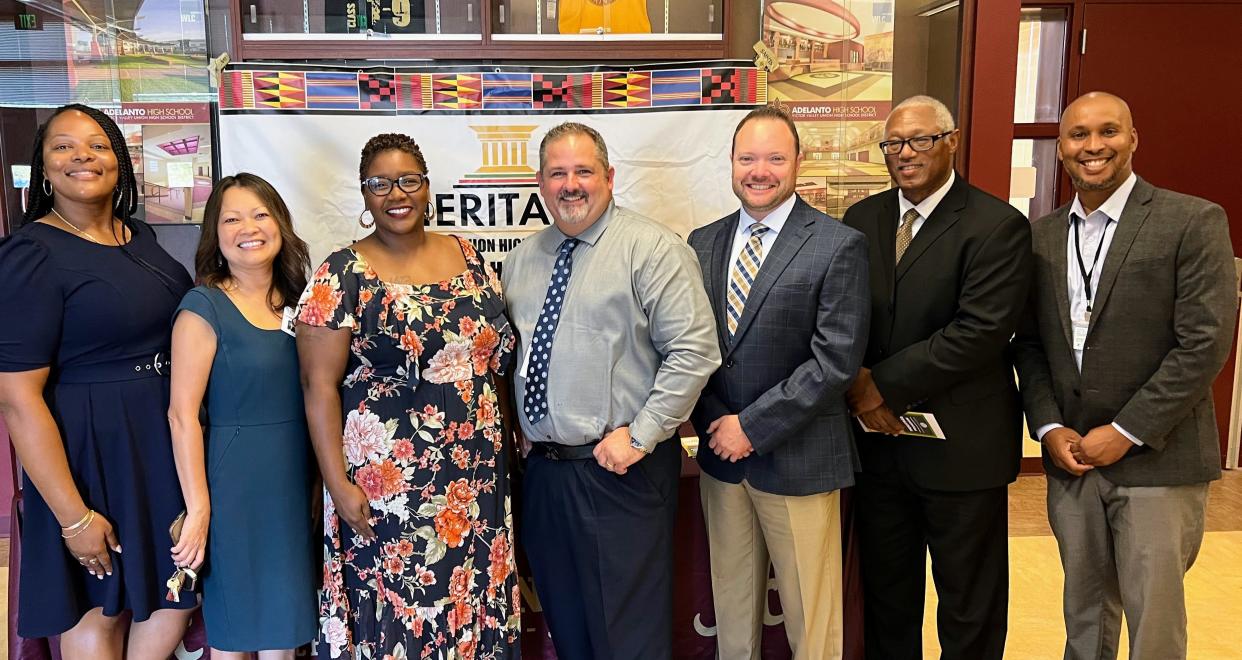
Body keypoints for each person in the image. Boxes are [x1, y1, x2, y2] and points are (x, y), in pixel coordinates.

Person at [1013, 92, 1235, 660]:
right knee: (1084, 615)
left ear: (1133, 139)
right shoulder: (1040, 237)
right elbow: (1031, 345)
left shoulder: (1192, 220)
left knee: (1154, 618)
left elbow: (1204, 343)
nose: (1093, 147)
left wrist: (1127, 431)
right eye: (1078, 135)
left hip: (1157, 459)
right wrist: (1048, 427)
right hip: (1073, 461)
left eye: (1108, 132)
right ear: (1061, 148)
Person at [296, 133, 520, 659]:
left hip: (477, 474)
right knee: (404, 602)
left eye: (408, 181)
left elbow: (492, 361)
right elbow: (317, 387)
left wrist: (510, 444)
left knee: (472, 595)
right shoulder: (342, 272)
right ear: (364, 194)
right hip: (390, 486)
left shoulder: (467, 254)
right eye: (379, 184)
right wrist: (337, 483)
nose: (396, 194)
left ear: (426, 187)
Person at [502, 122, 720, 660]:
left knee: (628, 639)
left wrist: (641, 435)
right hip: (547, 477)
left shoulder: (652, 249)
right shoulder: (521, 261)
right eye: (557, 173)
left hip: (621, 470)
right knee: (568, 629)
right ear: (540, 183)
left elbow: (695, 351)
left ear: (609, 176)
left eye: (583, 171)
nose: (570, 185)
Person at [0, 104, 196, 658]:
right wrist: (73, 516)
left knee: (175, 595)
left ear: (121, 162)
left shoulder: (138, 237)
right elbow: (17, 398)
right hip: (88, 453)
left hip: (157, 441)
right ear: (41, 167)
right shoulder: (31, 254)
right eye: (62, 146)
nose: (81, 155)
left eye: (97, 145)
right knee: (98, 604)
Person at [842, 95, 1032, 660]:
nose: (906, 153)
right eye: (894, 143)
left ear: (952, 141)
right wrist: (855, 385)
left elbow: (980, 332)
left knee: (968, 605)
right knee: (885, 599)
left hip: (962, 454)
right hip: (879, 452)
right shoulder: (863, 218)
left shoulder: (997, 225)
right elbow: (842, 315)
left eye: (921, 139)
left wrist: (880, 386)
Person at [687, 106, 869, 660]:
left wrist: (751, 427)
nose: (758, 170)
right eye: (747, 158)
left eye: (774, 158)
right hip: (722, 459)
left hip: (800, 459)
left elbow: (834, 361)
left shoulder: (837, 244)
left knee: (812, 623)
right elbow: (691, 346)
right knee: (732, 611)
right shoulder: (703, 242)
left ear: (797, 163)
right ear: (732, 163)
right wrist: (719, 424)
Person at [167, 173, 317, 657]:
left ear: (280, 225)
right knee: (234, 637)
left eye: (259, 214)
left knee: (286, 635)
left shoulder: (305, 302)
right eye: (231, 218)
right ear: (216, 235)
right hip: (233, 491)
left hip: (295, 489)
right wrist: (198, 509)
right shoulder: (203, 306)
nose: (247, 228)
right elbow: (181, 416)